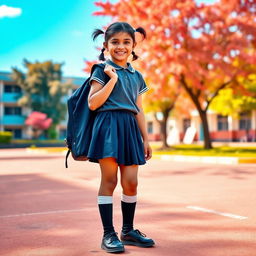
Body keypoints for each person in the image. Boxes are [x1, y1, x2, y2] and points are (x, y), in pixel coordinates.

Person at [87, 21, 155, 253]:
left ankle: (128, 230)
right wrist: (112, 79)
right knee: (109, 181)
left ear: (133, 45)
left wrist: (145, 138)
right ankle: (108, 234)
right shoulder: (100, 70)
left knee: (131, 182)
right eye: (115, 42)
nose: (121, 46)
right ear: (106, 45)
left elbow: (140, 109)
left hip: (130, 128)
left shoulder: (137, 76)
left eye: (126, 42)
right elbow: (93, 103)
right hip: (108, 127)